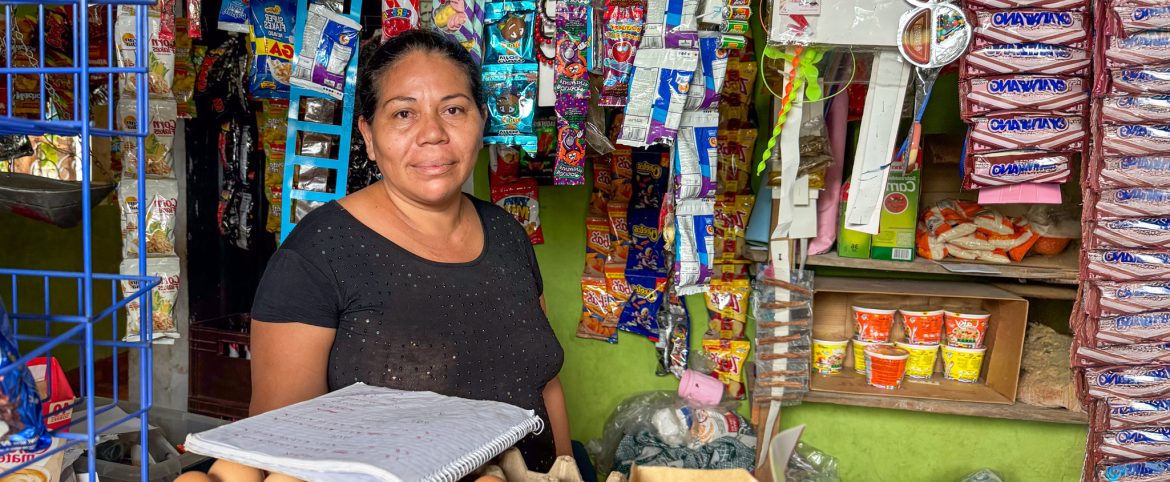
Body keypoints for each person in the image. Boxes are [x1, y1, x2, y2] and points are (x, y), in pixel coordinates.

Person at [249, 29, 569, 471]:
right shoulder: (316, 256)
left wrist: (565, 469)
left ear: (481, 120)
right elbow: (276, 449)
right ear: (368, 133)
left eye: (453, 109)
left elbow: (544, 381)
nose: (432, 134)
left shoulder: (507, 234)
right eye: (403, 114)